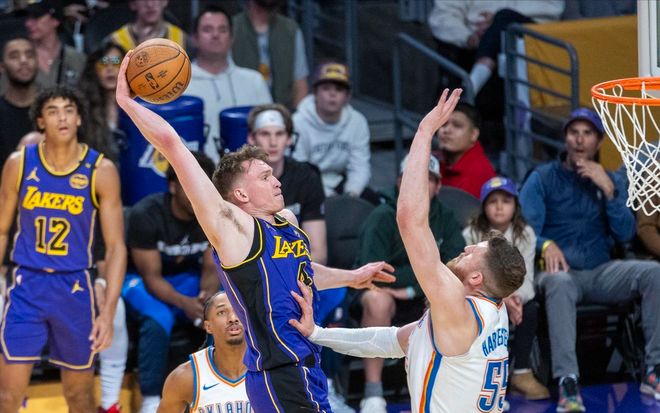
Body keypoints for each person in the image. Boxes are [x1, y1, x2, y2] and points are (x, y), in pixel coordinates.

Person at [116, 50, 395, 413]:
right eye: (264, 177)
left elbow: (302, 272)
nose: (277, 181)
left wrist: (352, 277)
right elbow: (173, 145)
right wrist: (128, 103)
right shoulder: (233, 229)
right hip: (279, 371)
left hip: (306, 366)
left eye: (273, 174)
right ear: (241, 195)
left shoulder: (287, 223)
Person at [289, 88, 527, 413]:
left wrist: (425, 131)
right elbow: (388, 341)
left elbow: (410, 221)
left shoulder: (458, 310)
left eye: (475, 251)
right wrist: (317, 334)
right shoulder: (489, 312)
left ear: (476, 278)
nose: (468, 246)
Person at [519, 107, 660, 412]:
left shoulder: (609, 180)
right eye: (574, 132)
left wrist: (609, 192)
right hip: (557, 273)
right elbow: (524, 230)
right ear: (565, 138)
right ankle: (568, 381)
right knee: (559, 283)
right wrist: (545, 245)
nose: (580, 140)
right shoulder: (542, 178)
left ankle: (654, 370)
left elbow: (625, 234)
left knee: (654, 273)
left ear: (599, 142)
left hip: (599, 271)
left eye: (587, 134)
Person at [0, 86, 126, 413]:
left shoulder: (101, 170)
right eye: (53, 111)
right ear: (40, 121)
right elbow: (1, 230)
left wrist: (108, 312)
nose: (62, 117)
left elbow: (116, 248)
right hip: (27, 284)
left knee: (80, 397)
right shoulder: (19, 164)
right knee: (7, 396)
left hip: (75, 287)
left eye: (69, 110)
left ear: (79, 118)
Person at [353, 153, 465, 412]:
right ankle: (373, 393)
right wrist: (424, 274)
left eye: (428, 179)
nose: (420, 185)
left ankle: (452, 388)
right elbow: (372, 272)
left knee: (459, 296)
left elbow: (455, 266)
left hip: (426, 294)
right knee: (376, 300)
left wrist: (413, 287)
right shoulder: (382, 217)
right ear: (400, 182)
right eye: (413, 178)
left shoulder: (445, 217)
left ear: (438, 186)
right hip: (385, 294)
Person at [121, 152, 220, 413]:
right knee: (159, 317)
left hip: (186, 279)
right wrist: (185, 303)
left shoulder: (211, 213)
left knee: (220, 309)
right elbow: (151, 277)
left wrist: (204, 299)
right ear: (173, 186)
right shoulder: (146, 213)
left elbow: (212, 267)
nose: (197, 193)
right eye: (189, 185)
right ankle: (151, 399)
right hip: (142, 281)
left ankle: (218, 388)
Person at [463, 176, 549, 401]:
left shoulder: (525, 234)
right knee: (485, 311)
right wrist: (502, 298)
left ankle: (521, 371)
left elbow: (526, 279)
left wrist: (513, 298)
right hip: (479, 296)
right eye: (493, 201)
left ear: (515, 206)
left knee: (530, 308)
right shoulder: (471, 234)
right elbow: (470, 277)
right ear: (483, 207)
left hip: (515, 296)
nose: (499, 207)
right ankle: (481, 377)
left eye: (506, 201)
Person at [185, 4, 271, 164]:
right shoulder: (179, 84)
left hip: (247, 171)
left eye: (222, 30)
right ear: (194, 38)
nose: (215, 35)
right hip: (196, 171)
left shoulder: (254, 81)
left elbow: (270, 130)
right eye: (207, 29)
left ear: (232, 38)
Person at [246, 103, 327, 265]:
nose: (273, 142)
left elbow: (318, 253)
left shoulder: (307, 176)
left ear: (289, 139)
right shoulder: (237, 180)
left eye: (280, 134)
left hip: (298, 268)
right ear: (252, 139)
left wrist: (291, 275)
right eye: (265, 134)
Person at [292, 62, 376, 202]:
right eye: (326, 88)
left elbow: (360, 165)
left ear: (347, 96)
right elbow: (299, 168)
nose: (332, 94)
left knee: (373, 203)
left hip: (339, 181)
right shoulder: (298, 122)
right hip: (305, 183)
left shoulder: (357, 121)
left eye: (339, 89)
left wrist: (352, 193)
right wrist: (326, 195)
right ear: (315, 93)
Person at [158, 291, 249, 413]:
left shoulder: (268, 369)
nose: (233, 318)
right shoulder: (185, 376)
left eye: (238, 309)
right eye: (221, 312)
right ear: (208, 326)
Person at [232, 0, 309, 109]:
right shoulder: (232, 28)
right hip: (241, 112)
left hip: (282, 113)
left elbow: (300, 85)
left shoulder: (291, 30)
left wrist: (297, 117)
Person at [77, 42, 125, 163]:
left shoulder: (142, 105)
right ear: (94, 69)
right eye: (103, 63)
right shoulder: (84, 109)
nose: (110, 69)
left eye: (116, 62)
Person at [436, 102, 495, 198]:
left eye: (457, 126)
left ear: (474, 134)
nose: (447, 130)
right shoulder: (437, 165)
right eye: (443, 124)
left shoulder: (479, 173)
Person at [22, 0, 86, 89]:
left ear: (55, 20)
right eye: (27, 18)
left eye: (36, 17)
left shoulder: (77, 59)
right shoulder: (21, 60)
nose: (28, 24)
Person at [0, 34, 38, 170]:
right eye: (14, 56)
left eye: (29, 55)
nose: (23, 60)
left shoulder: (54, 111)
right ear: (2, 67)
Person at [108, 0, 187, 52]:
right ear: (133, 4)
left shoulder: (181, 39)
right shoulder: (116, 41)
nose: (150, 4)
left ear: (165, 1)